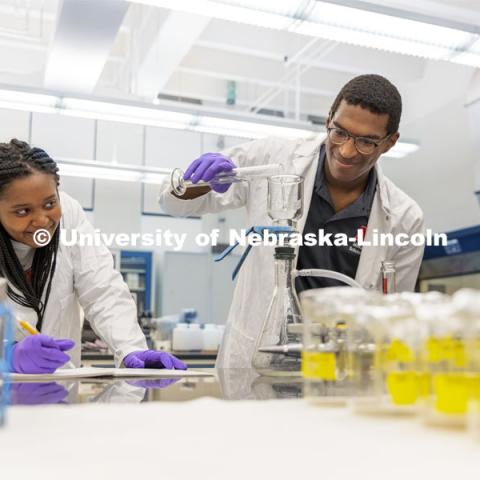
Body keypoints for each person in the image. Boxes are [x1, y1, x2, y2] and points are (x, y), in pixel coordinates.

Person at [159, 74, 425, 368]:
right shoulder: (274, 159)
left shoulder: (404, 218)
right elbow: (176, 204)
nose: (347, 151)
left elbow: (395, 316)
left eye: (366, 142)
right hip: (260, 357)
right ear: (328, 119)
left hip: (343, 369)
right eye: (339, 132)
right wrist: (198, 182)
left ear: (389, 143)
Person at [0, 139, 186, 374]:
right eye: (23, 211)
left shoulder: (69, 215)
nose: (41, 221)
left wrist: (130, 348)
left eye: (49, 203)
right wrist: (7, 354)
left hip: (59, 387)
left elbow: (103, 290)